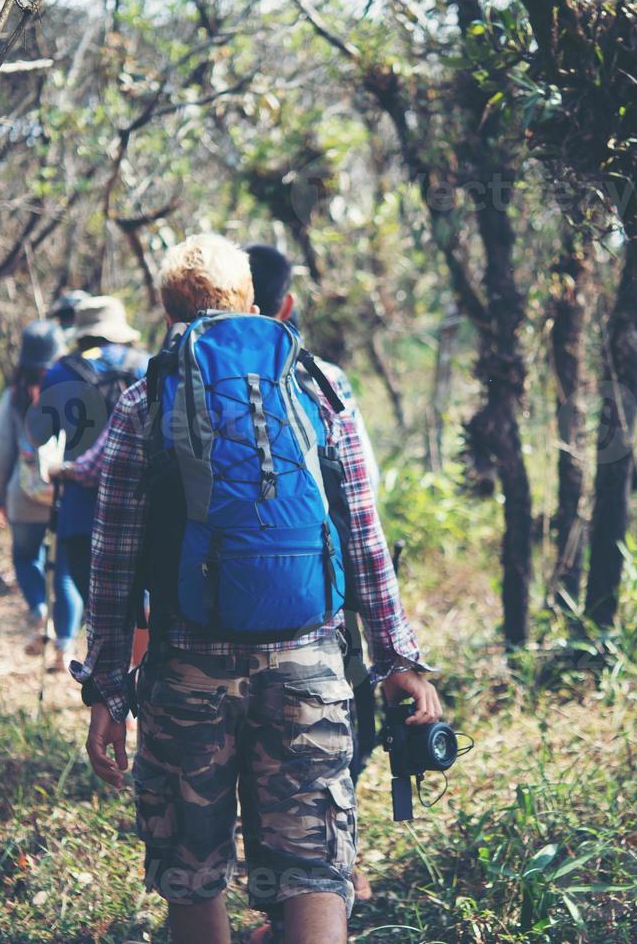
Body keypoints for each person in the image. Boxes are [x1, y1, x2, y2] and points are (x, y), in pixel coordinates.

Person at [74, 234, 440, 944]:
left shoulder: (144, 397)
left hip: (185, 674)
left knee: (193, 874)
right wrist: (396, 660)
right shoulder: (320, 385)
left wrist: (108, 692)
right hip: (308, 664)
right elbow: (362, 535)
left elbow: (112, 565)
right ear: (251, 302)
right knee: (314, 873)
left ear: (167, 308)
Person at [246, 243, 382, 903]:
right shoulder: (322, 380)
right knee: (316, 766)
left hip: (198, 632)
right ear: (287, 305)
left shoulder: (166, 383)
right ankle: (329, 873)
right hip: (312, 622)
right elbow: (361, 507)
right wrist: (395, 648)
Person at [32, 296, 150, 669]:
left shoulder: (58, 373)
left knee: (100, 615)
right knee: (145, 608)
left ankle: (112, 698)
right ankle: (140, 683)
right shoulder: (148, 367)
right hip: (143, 510)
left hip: (81, 513)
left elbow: (41, 435)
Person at [0, 320, 83, 652]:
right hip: (64, 492)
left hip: (25, 495)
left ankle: (40, 611)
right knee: (66, 571)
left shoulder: (13, 396)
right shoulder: (71, 389)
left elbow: (3, 451)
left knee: (26, 557)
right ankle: (66, 644)